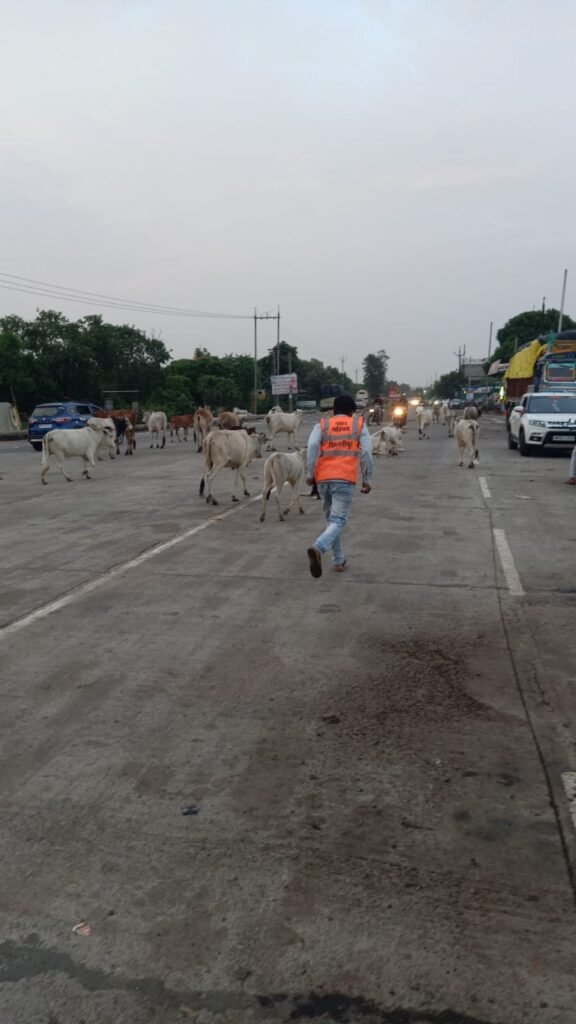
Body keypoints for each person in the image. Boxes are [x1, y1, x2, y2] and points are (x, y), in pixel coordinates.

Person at [305, 394, 373, 578]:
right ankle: (318, 548)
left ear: (334, 410)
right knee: (338, 521)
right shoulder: (358, 425)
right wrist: (367, 479)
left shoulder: (323, 424)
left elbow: (312, 445)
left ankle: (338, 560)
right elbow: (366, 452)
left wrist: (310, 475)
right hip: (344, 479)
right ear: (352, 412)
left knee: (331, 522)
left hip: (323, 479)